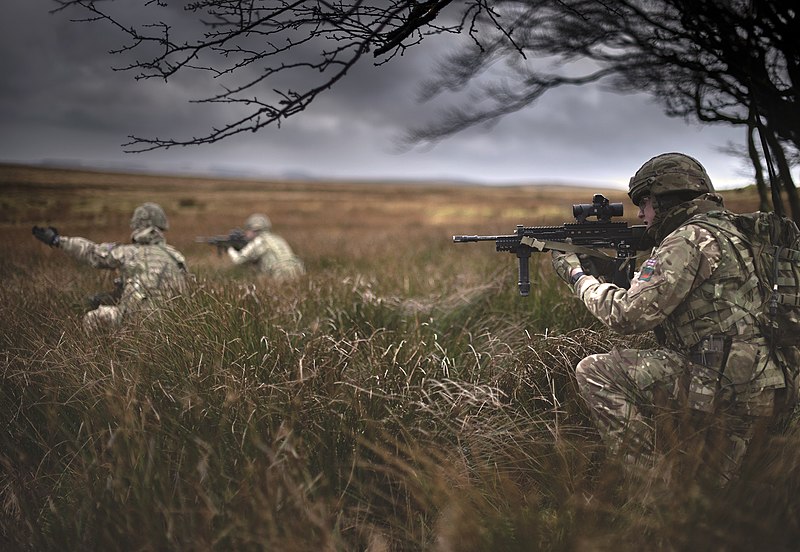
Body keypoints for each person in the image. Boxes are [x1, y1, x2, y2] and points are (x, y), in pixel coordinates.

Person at [551, 152, 797, 481]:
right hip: (773, 383)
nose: (640, 213)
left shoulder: (687, 240)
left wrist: (578, 278)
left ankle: (653, 493)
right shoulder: (737, 230)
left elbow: (627, 316)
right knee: (722, 493)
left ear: (667, 198)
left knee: (596, 372)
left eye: (646, 202)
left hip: (724, 387)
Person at [33, 202, 189, 332]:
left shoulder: (128, 252)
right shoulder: (176, 257)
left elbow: (91, 252)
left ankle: (101, 359)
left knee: (92, 318)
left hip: (138, 323)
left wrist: (57, 240)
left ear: (137, 226)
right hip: (173, 325)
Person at [226, 213, 305, 281]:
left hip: (278, 276)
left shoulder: (258, 241)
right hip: (296, 273)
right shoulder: (278, 238)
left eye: (247, 230)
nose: (246, 233)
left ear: (253, 230)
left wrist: (230, 249)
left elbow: (238, 260)